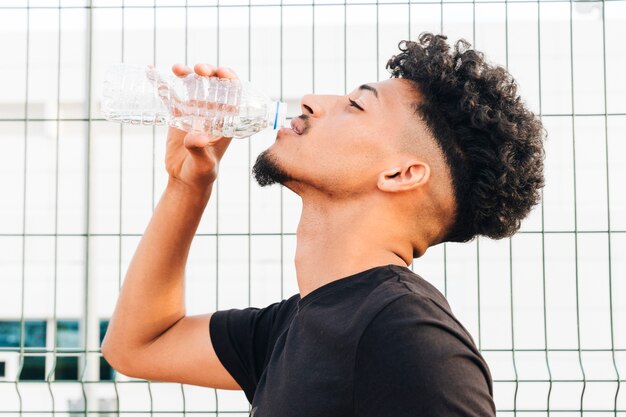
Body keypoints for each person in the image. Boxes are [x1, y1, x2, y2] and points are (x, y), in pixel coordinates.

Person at [101, 32, 544, 416]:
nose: (312, 100)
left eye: (355, 104)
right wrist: (187, 185)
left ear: (400, 174)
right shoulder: (297, 324)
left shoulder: (408, 335)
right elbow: (137, 346)